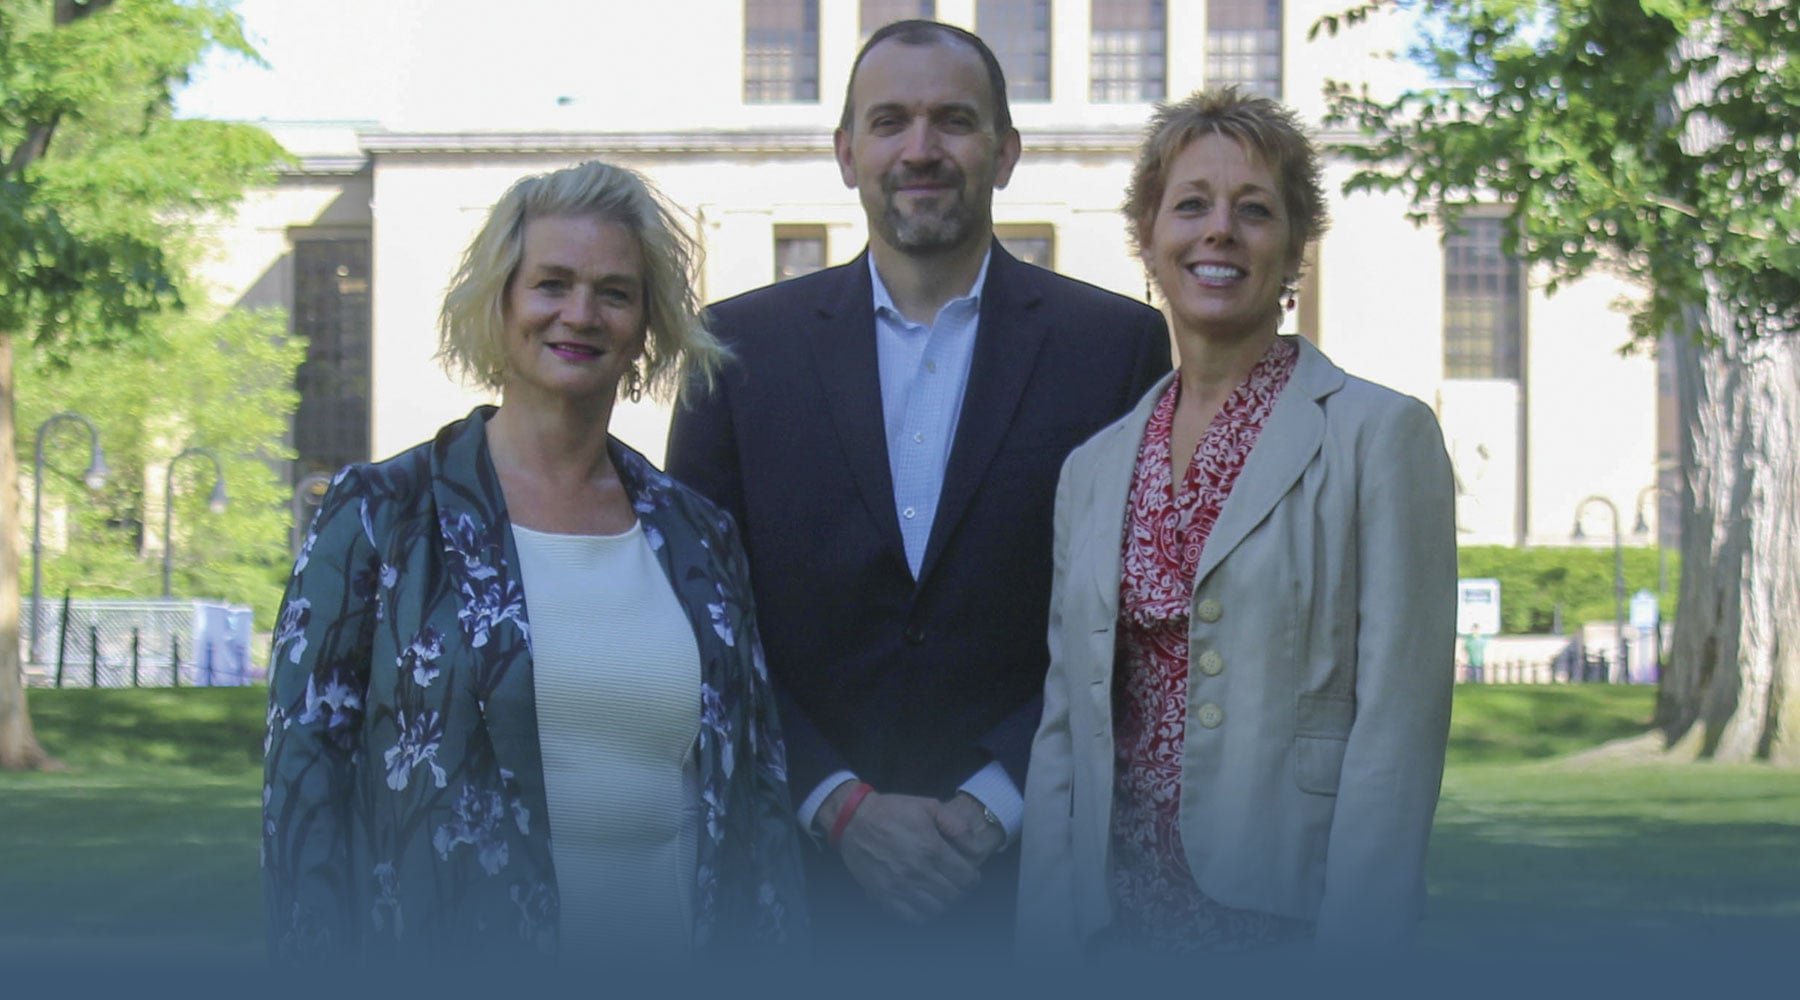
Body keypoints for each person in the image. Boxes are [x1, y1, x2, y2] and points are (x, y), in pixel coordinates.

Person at [666, 20, 1170, 953]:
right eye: (890, 121)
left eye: (954, 121)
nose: (921, 149)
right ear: (847, 152)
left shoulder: (1116, 349)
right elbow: (699, 621)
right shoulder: (734, 352)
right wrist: (837, 802)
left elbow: (1135, 618)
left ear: (1006, 151)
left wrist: (993, 805)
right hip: (792, 891)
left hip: (1026, 889)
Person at [262, 160, 806, 962]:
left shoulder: (698, 536)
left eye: (614, 292)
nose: (580, 314)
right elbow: (303, 803)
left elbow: (755, 800)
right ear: (502, 300)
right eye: (552, 283)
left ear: (646, 324)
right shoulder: (380, 518)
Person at [1016, 88, 1457, 957]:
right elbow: (1066, 728)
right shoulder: (1094, 469)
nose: (1219, 229)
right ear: (1148, 237)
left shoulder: (1381, 437)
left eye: (1254, 210)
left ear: (1296, 246)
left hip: (1286, 928)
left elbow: (1396, 738)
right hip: (1117, 927)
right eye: (1191, 205)